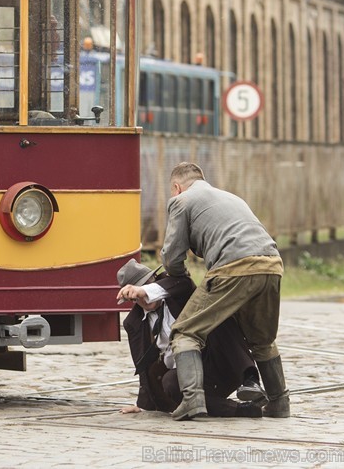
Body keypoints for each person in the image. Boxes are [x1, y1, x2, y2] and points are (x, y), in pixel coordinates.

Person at [160, 162, 289, 420]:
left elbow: (172, 258)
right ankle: (279, 403)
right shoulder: (231, 197)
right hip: (272, 264)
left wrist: (180, 278)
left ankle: (192, 401)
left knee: (185, 332)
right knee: (262, 340)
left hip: (233, 267)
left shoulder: (181, 201)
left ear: (176, 187)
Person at [116, 260, 265, 418]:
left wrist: (145, 290)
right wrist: (142, 405)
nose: (143, 299)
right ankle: (241, 410)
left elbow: (185, 283)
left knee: (217, 314)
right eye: (135, 298)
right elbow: (144, 368)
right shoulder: (134, 323)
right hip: (195, 381)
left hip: (222, 364)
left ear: (155, 281)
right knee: (170, 383)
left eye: (144, 289)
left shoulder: (178, 290)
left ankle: (250, 380)